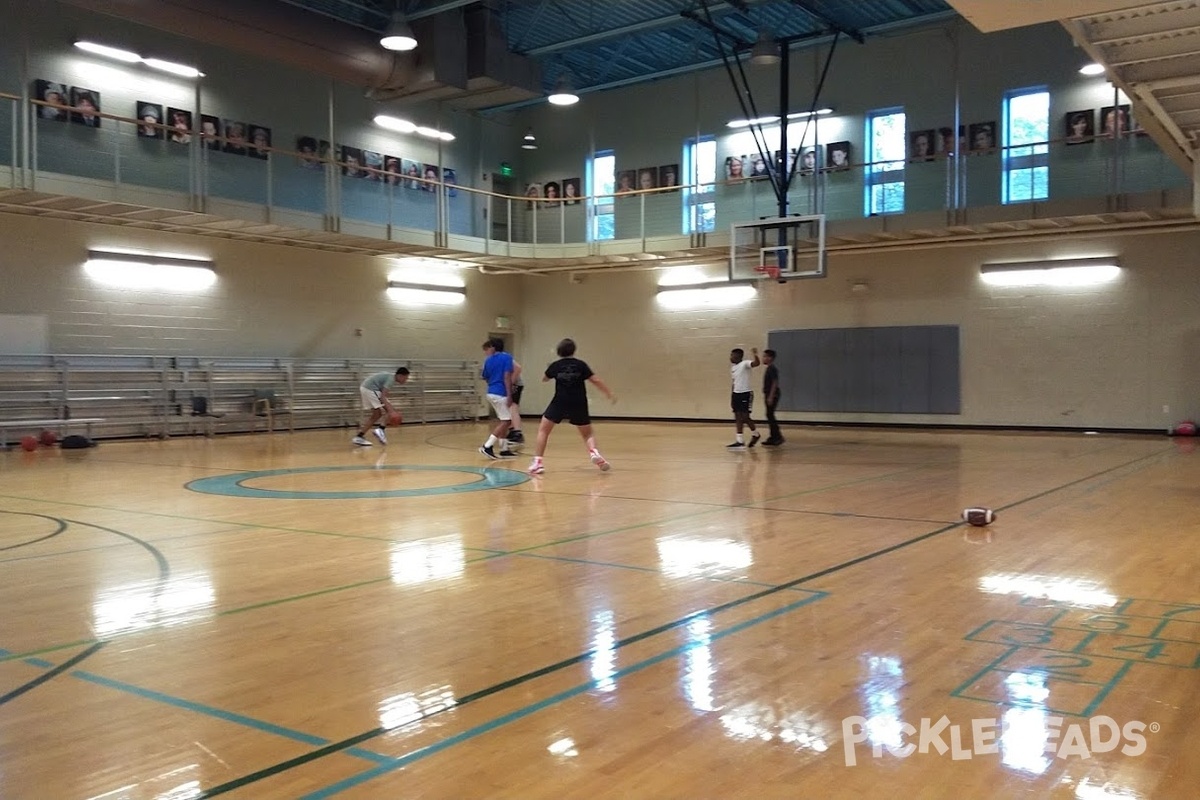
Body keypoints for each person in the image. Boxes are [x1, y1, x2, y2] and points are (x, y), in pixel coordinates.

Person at [527, 338, 616, 475]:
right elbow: (595, 380)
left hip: (560, 401)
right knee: (587, 433)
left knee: (543, 430)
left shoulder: (555, 365)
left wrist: (550, 372)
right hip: (579, 401)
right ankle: (594, 453)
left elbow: (544, 378)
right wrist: (608, 393)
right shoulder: (581, 365)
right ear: (573, 350)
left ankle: (538, 463)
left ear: (559, 351)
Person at [479, 338, 518, 459]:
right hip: (501, 393)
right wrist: (509, 394)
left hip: (491, 391)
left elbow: (485, 376)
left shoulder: (488, 360)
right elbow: (507, 376)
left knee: (504, 420)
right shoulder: (507, 357)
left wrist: (493, 384)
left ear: (493, 347)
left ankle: (504, 449)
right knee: (506, 422)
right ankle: (487, 446)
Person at [352, 367, 410, 446]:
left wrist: (391, 411)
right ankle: (380, 429)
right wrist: (392, 412)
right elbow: (383, 397)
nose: (406, 380)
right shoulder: (391, 379)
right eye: (405, 378)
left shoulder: (389, 377)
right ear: (400, 376)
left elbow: (383, 396)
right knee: (389, 410)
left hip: (365, 388)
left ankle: (359, 436)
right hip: (370, 389)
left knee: (377, 414)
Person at [728, 346, 760, 448]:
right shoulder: (733, 368)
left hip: (746, 393)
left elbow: (756, 363)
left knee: (745, 417)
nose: (731, 357)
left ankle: (756, 434)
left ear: (738, 356)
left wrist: (755, 354)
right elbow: (734, 383)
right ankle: (739, 440)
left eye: (732, 355)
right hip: (736, 394)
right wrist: (732, 396)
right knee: (737, 417)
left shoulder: (745, 364)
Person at [761, 349, 784, 446]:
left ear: (770, 358)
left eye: (765, 356)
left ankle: (777, 437)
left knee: (770, 415)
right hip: (769, 394)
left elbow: (775, 382)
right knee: (769, 415)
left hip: (772, 394)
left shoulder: (772, 369)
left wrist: (770, 396)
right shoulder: (769, 368)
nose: (763, 358)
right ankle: (773, 436)